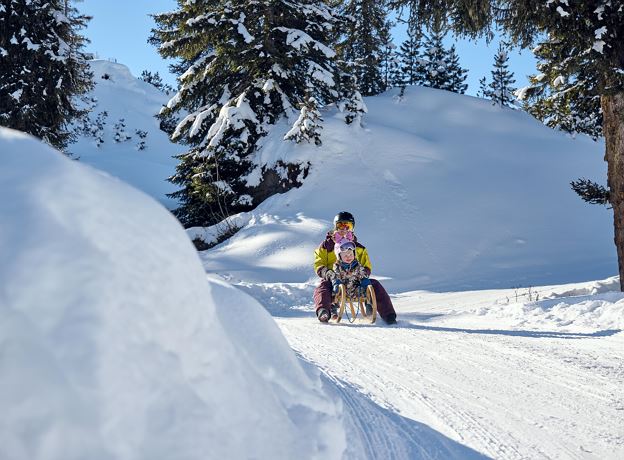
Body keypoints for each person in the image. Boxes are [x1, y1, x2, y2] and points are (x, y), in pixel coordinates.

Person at [313, 211, 398, 324]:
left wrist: (362, 276)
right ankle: (324, 311)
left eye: (348, 226)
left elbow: (366, 265)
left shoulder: (358, 248)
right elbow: (319, 264)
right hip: (334, 280)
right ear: (335, 226)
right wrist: (329, 273)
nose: (344, 229)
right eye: (340, 225)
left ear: (352, 228)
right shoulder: (325, 246)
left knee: (375, 284)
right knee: (322, 287)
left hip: (355, 280)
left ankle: (389, 315)